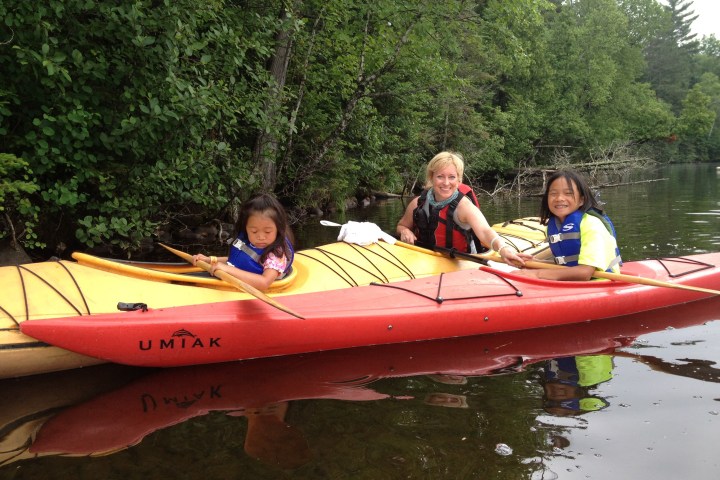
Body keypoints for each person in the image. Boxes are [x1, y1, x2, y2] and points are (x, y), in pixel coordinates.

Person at [396, 151, 529, 267]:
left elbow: (485, 232)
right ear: (432, 177)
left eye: (452, 177)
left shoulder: (464, 207)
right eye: (440, 176)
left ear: (459, 180)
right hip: (425, 258)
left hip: (459, 261)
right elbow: (401, 225)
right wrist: (405, 231)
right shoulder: (418, 203)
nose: (446, 183)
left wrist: (503, 249)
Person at [514, 170, 621, 281]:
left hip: (603, 284)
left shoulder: (592, 225)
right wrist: (534, 263)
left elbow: (584, 272)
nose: (559, 198)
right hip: (575, 283)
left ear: (581, 200)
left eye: (568, 193)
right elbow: (567, 264)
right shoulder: (555, 226)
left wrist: (537, 274)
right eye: (553, 193)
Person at [192, 193, 294, 292]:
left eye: (267, 231)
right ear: (245, 228)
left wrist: (227, 269)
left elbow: (264, 282)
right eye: (254, 231)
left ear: (278, 228)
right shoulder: (248, 242)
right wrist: (209, 260)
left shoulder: (276, 255)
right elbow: (237, 261)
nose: (261, 237)